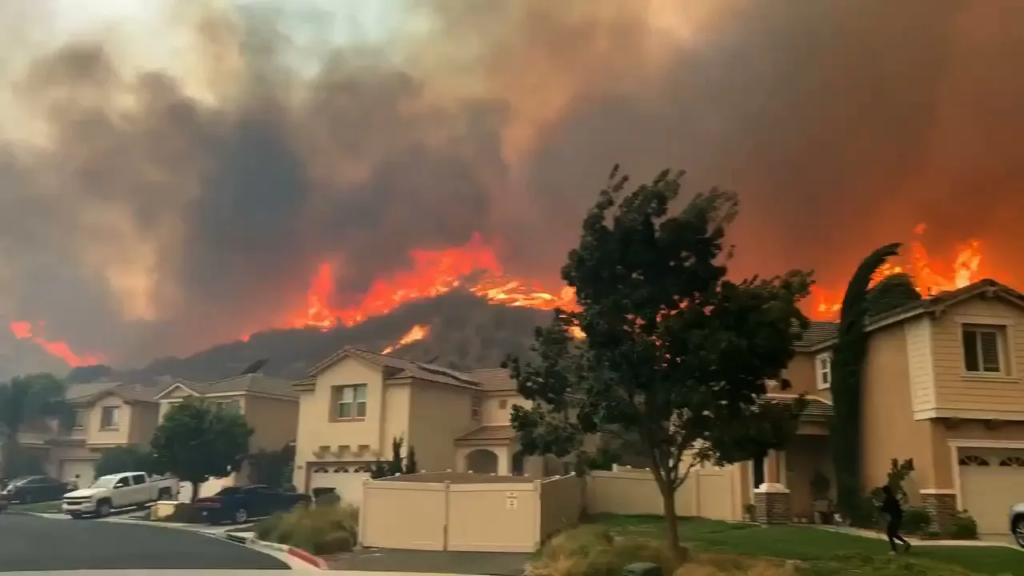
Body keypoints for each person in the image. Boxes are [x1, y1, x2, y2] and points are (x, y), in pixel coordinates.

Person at [880, 485, 911, 553]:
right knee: (893, 533)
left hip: (894, 518)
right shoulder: (893, 498)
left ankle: (894, 549)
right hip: (898, 518)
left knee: (890, 533)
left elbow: (883, 509)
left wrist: (879, 506)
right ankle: (905, 543)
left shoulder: (888, 499)